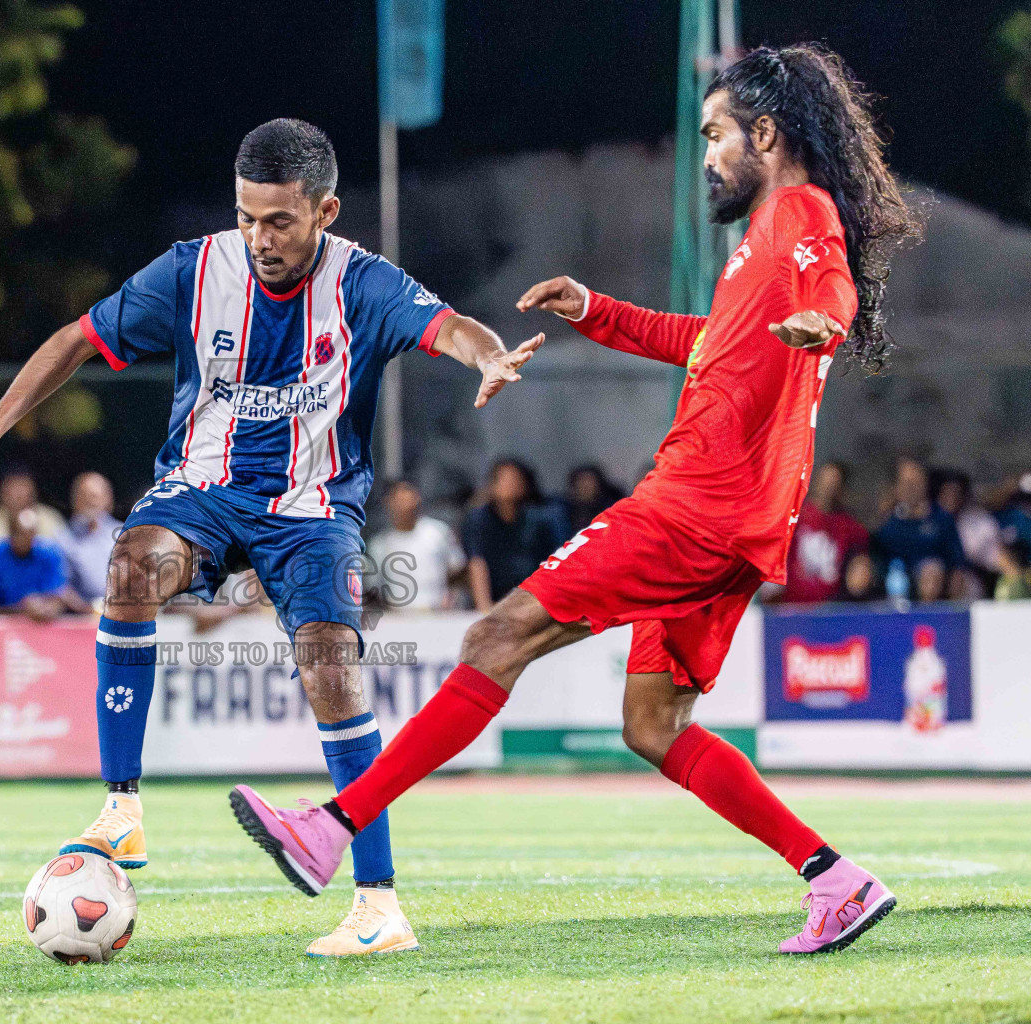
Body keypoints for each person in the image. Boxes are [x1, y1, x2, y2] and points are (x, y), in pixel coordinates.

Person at [230, 45, 922, 957]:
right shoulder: (765, 237)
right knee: (653, 724)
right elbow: (712, 342)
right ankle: (837, 880)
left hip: (696, 508)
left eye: (715, 135)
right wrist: (596, 309)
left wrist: (826, 317)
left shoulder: (798, 212)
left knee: (496, 636)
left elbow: (827, 278)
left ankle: (329, 830)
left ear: (766, 134)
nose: (706, 154)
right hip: (740, 518)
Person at [0, 118, 539, 956]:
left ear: (325, 211)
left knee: (332, 664)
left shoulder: (367, 283)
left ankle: (378, 906)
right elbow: (75, 340)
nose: (259, 238)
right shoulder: (195, 269)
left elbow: (455, 328)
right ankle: (123, 808)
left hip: (314, 506)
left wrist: (490, 358)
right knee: (133, 565)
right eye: (247, 216)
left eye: (279, 220)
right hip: (204, 490)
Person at [464, 459, 564, 610]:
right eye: (504, 479)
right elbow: (476, 562)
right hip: (494, 599)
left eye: (515, 479)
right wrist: (483, 605)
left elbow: (553, 560)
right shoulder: (478, 519)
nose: (510, 485)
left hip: (533, 599)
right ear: (492, 484)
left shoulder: (540, 519)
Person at [873, 458, 966, 600]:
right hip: (896, 584)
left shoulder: (941, 519)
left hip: (935, 583)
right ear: (897, 487)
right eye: (907, 483)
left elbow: (956, 559)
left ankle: (927, 617)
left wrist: (955, 577)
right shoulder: (888, 522)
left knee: (931, 570)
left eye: (916, 482)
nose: (911, 488)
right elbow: (878, 556)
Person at [366, 480, 466, 611]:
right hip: (396, 618)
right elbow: (373, 588)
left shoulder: (438, 532)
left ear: (417, 498)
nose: (404, 506)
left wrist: (451, 597)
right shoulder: (378, 545)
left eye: (408, 499)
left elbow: (458, 569)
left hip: (438, 614)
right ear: (388, 503)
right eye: (398, 500)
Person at [779, 461, 870, 604]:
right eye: (825, 481)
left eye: (834, 483)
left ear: (841, 489)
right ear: (816, 481)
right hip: (794, 606)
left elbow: (862, 557)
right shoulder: (795, 518)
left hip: (831, 608)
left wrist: (862, 564)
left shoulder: (848, 526)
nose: (828, 488)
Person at [0, 507, 88, 620]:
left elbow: (57, 595)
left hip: (43, 623)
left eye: (30, 533)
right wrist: (22, 609)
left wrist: (48, 608)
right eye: (20, 533)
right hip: (2, 623)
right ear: (10, 531)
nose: (26, 539)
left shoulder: (50, 553)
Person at [0, 469, 68, 584]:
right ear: (1, 493)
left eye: (24, 491)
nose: (19, 497)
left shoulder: (51, 519)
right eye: (13, 492)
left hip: (46, 595)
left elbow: (65, 569)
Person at [932, 469, 1003, 599]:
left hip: (970, 578)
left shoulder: (979, 521)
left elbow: (996, 559)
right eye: (947, 492)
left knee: (963, 580)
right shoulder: (929, 518)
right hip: (933, 575)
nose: (952, 498)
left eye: (956, 492)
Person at [58, 471, 122, 604]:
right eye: (84, 496)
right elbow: (61, 586)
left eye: (95, 496)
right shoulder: (63, 538)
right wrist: (86, 609)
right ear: (75, 500)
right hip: (80, 616)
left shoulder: (125, 534)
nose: (90, 502)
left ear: (108, 500)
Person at [564, 464, 624, 533]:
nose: (586, 486)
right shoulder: (562, 513)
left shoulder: (611, 511)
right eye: (581, 482)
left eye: (590, 482)